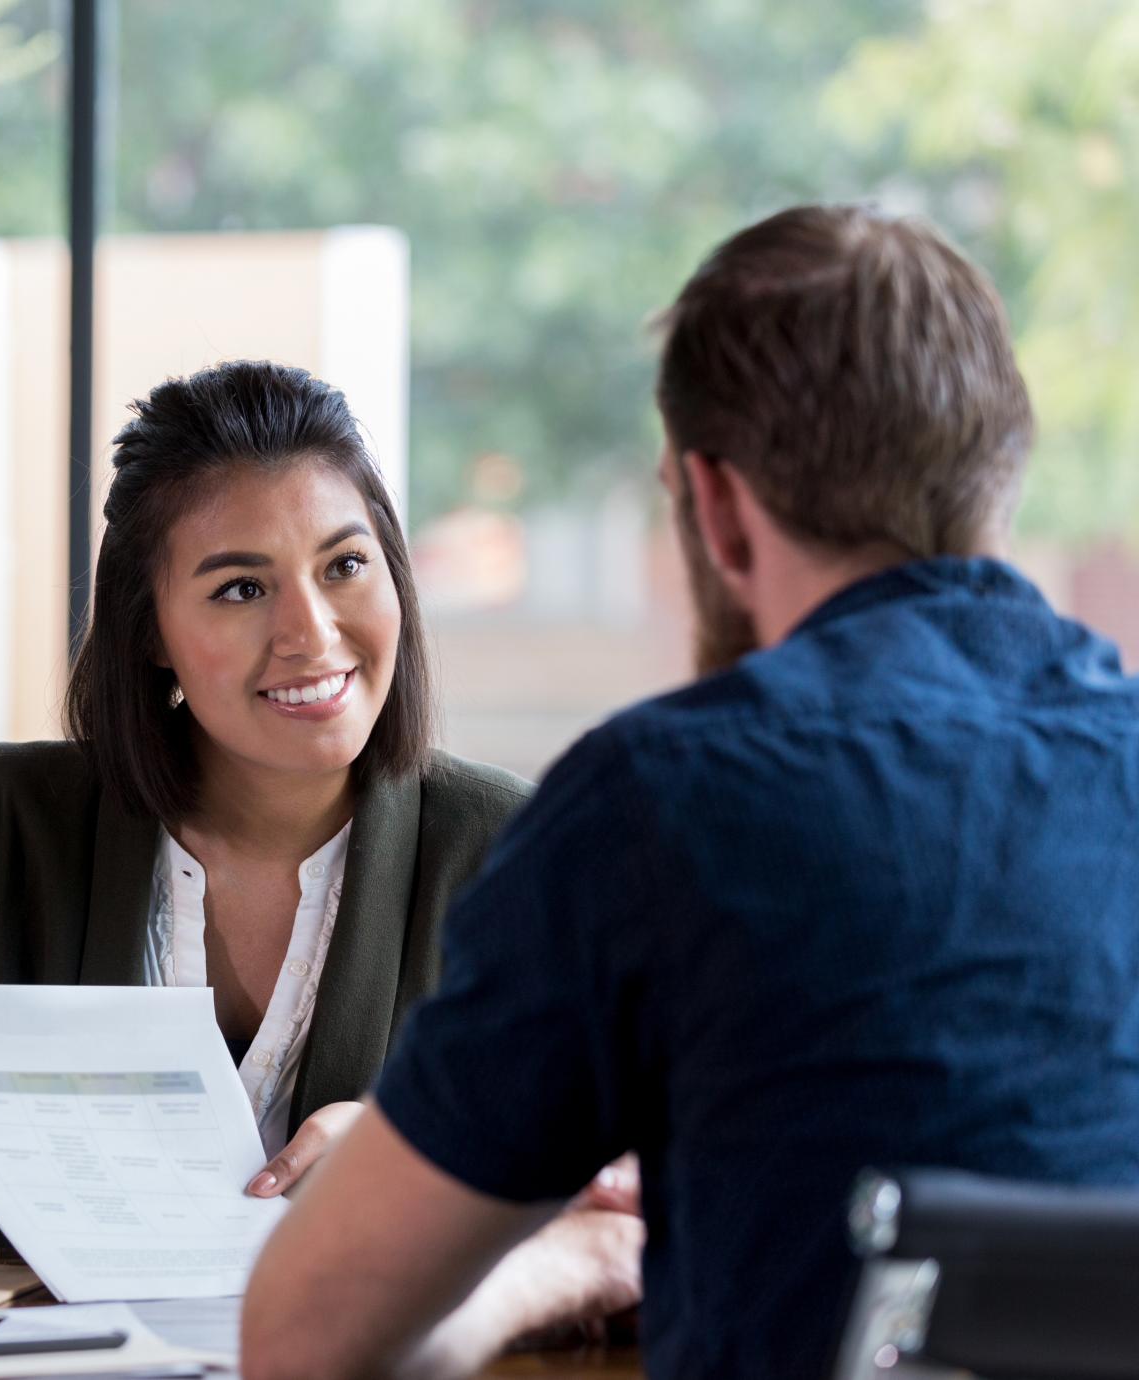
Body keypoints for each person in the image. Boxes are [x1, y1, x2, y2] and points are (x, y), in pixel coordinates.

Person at [240, 204, 1139, 1380]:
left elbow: (304, 1341)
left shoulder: (660, 804)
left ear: (711, 504)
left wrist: (573, 1259)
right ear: (998, 473)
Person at [0, 361, 634, 1335]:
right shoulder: (15, 828)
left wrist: (423, 1158)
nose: (309, 633)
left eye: (343, 566)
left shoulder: (511, 851)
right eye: (239, 588)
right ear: (151, 632)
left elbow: (627, 1185)